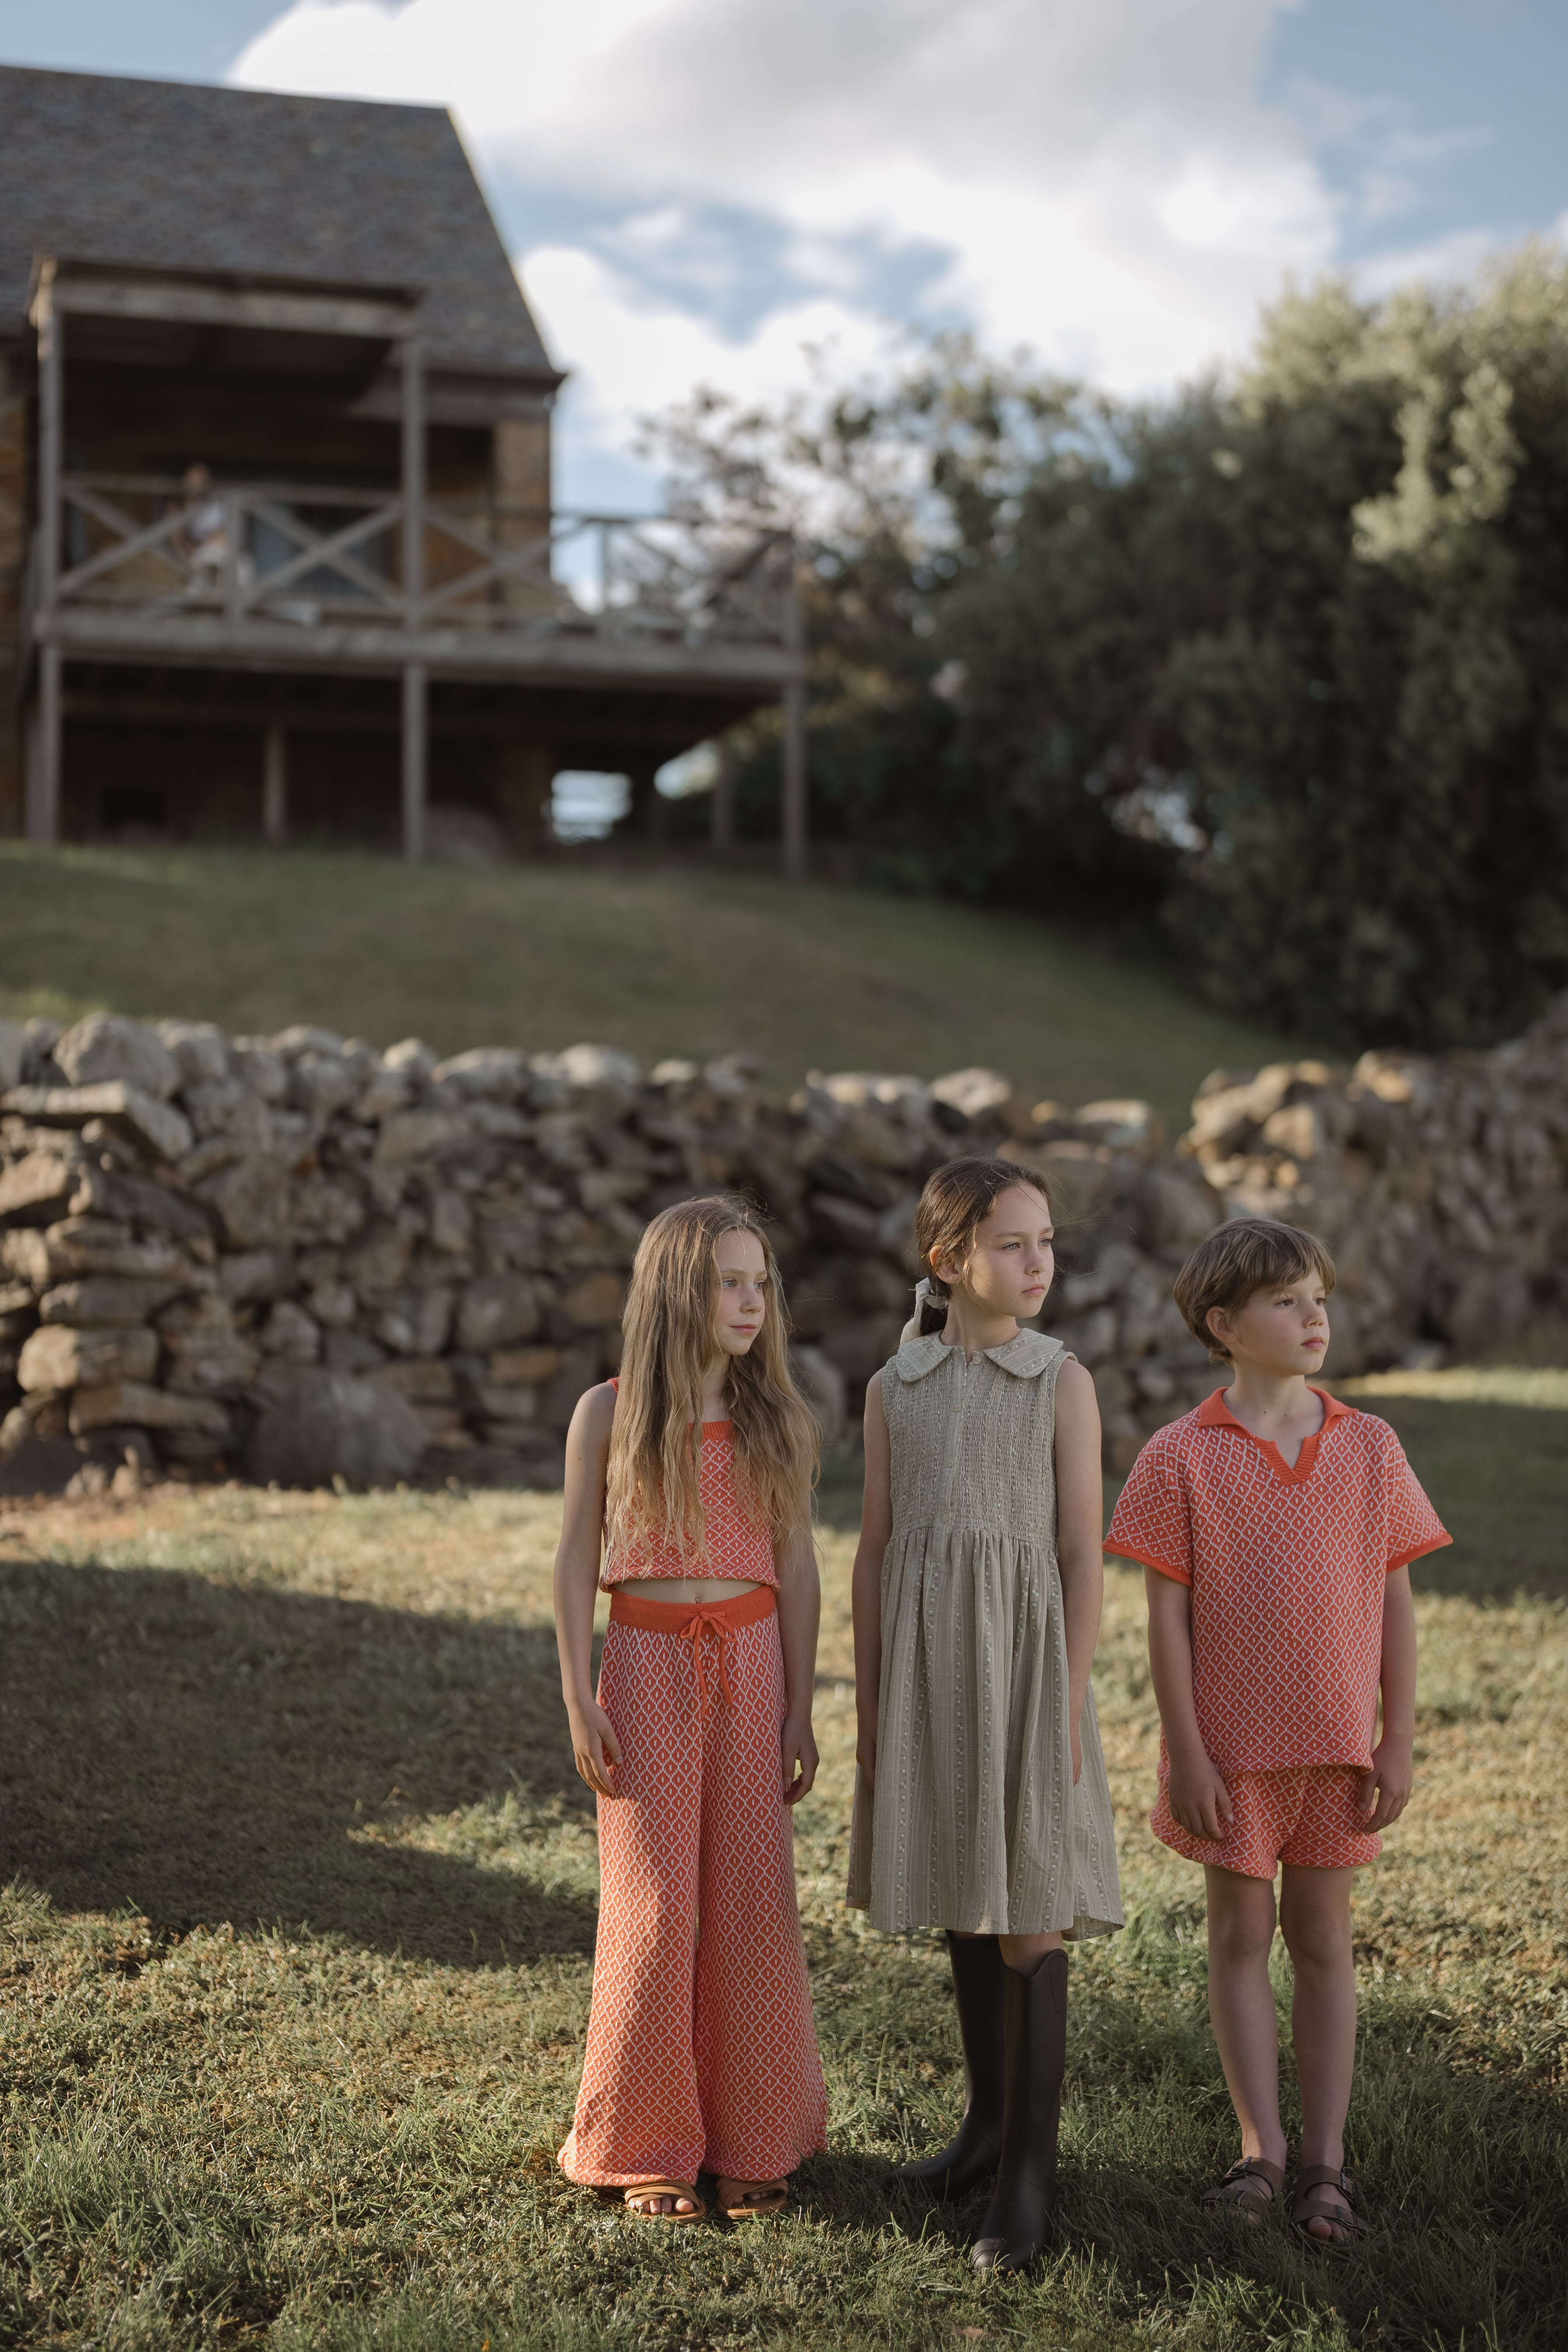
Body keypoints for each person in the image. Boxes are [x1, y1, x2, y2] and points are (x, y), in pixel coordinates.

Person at [1105, 1219, 1449, 2244]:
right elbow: (1164, 1619)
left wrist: (1397, 1739)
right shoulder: (1179, 1455)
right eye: (1286, 1301)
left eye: (1318, 1299)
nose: (1313, 1317)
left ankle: (1326, 2167)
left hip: (1340, 1750)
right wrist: (1187, 1752)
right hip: (1229, 1757)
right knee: (1238, 1939)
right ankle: (1260, 2153)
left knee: (1324, 1940)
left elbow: (1395, 1602)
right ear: (1224, 1325)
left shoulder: (1370, 1446)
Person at [848, 1157, 1123, 2273]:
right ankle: (984, 2132)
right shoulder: (894, 1388)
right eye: (1013, 1244)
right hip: (928, 1666)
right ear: (949, 1260)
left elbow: (1082, 1554)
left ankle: (1027, 2179)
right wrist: (870, 1700)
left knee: (1027, 1908)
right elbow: (872, 1552)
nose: (1038, 1261)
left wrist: (1069, 1694)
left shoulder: (1061, 1380)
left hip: (1027, 1671)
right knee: (965, 1892)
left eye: (1046, 1241)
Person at [555, 1194, 826, 2225]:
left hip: (751, 1673)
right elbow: (574, 1557)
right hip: (643, 1670)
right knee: (655, 1904)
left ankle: (754, 2138)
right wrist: (575, 1694)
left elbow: (798, 1566)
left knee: (751, 1900)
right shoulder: (609, 1412)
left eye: (760, 1282)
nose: (751, 1302)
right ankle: (645, 2144)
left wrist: (800, 1707)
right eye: (728, 1283)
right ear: (676, 1291)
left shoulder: (776, 1417)